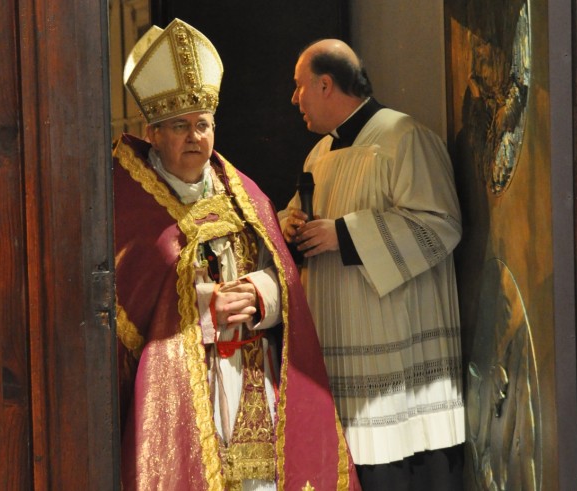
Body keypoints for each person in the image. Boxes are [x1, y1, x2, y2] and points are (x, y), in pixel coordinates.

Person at [114, 20, 360, 491]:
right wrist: (204, 306)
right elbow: (127, 305)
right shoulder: (130, 204)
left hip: (251, 373)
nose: (194, 137)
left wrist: (260, 294)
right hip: (188, 385)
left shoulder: (242, 192)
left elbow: (282, 275)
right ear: (152, 133)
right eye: (180, 126)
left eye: (203, 124)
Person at [280, 39, 465, 490]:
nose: (293, 99)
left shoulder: (403, 136)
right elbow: (301, 220)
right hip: (340, 345)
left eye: (299, 86)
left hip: (397, 355)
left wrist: (342, 234)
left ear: (326, 85)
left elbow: (439, 225)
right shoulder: (318, 156)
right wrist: (290, 225)